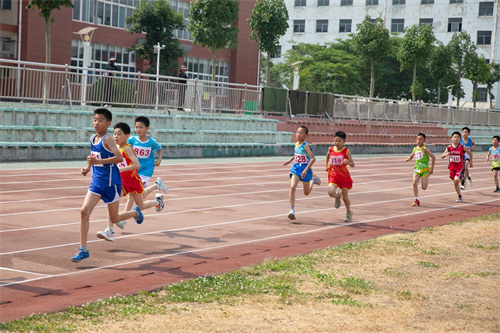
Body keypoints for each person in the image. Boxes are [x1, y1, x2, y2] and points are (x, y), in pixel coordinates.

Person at [71, 108, 144, 263]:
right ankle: (83, 249)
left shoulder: (108, 139)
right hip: (96, 183)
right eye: (95, 120)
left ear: (108, 123)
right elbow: (95, 157)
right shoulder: (92, 139)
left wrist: (98, 162)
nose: (96, 123)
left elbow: (118, 158)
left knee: (115, 218)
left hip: (112, 183)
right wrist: (88, 167)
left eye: (101, 120)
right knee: (84, 211)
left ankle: (135, 213)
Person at [96, 122, 165, 242]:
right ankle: (109, 230)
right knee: (111, 201)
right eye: (114, 134)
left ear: (126, 136)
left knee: (141, 206)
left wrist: (121, 169)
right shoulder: (115, 148)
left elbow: (136, 165)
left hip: (133, 182)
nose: (116, 137)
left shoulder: (127, 148)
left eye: (119, 134)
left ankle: (157, 202)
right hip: (121, 182)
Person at [117, 116, 168, 229]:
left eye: (141, 127)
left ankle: (123, 219)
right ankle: (156, 187)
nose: (138, 129)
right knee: (139, 196)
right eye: (136, 127)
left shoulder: (151, 142)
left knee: (132, 196)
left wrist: (159, 159)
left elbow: (159, 148)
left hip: (145, 171)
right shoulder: (131, 140)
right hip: (134, 171)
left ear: (147, 128)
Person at [282, 126, 321, 220]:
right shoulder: (296, 144)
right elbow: (297, 154)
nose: (298, 134)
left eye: (301, 133)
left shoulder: (306, 145)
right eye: (297, 132)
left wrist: (305, 170)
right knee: (292, 187)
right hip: (296, 169)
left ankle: (313, 180)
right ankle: (292, 210)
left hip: (305, 170)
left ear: (305, 135)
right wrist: (290, 160)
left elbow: (313, 159)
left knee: (306, 193)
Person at [325, 131, 355, 222]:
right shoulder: (331, 149)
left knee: (345, 198)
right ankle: (336, 197)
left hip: (344, 177)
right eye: (335, 141)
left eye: (339, 141)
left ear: (344, 142)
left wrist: (348, 162)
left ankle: (349, 212)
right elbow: (327, 156)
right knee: (330, 191)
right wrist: (326, 165)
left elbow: (353, 164)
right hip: (333, 175)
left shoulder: (346, 151)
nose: (337, 143)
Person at [441, 131, 473, 203]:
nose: (456, 139)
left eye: (458, 137)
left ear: (460, 139)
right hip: (452, 168)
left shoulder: (462, 147)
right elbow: (442, 156)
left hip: (460, 167)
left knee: (456, 180)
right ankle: (459, 196)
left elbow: (470, 153)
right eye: (454, 137)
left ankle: (462, 177)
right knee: (455, 182)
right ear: (451, 138)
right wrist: (446, 154)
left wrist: (471, 162)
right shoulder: (449, 147)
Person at [405, 133, 436, 207]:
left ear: (424, 140)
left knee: (424, 187)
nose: (418, 141)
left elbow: (433, 157)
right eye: (417, 139)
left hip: (425, 169)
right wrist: (408, 159)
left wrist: (432, 169)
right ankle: (416, 200)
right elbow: (412, 156)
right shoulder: (415, 148)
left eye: (420, 139)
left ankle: (426, 177)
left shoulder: (425, 148)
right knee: (414, 183)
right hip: (417, 168)